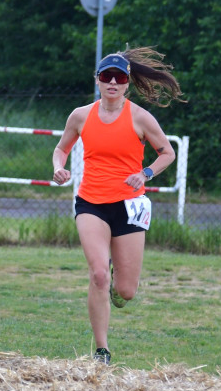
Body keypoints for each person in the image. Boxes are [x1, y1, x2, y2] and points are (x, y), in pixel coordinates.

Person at [51, 47, 185, 365]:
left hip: (129, 205)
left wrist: (145, 173)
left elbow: (167, 152)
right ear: (98, 80)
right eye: (106, 76)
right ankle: (101, 350)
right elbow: (61, 148)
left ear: (127, 83)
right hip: (91, 203)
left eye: (119, 77)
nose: (112, 82)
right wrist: (58, 166)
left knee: (126, 291)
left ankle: (115, 284)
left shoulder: (140, 118)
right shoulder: (81, 115)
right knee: (98, 274)